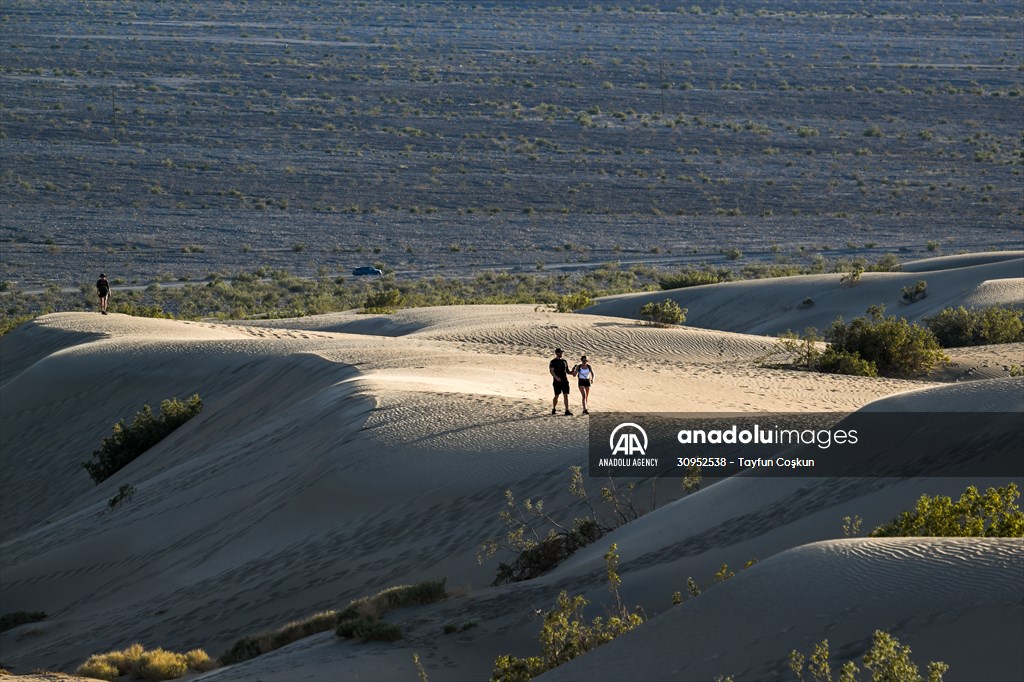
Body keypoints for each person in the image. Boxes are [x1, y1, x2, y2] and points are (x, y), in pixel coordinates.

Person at [549, 348, 573, 415]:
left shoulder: (564, 361)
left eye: (561, 352)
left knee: (566, 395)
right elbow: (551, 371)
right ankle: (554, 408)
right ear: (556, 353)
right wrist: (556, 377)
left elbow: (567, 371)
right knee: (556, 395)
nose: (561, 354)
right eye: (560, 353)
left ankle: (567, 410)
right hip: (557, 381)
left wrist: (572, 372)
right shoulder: (553, 362)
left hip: (564, 380)